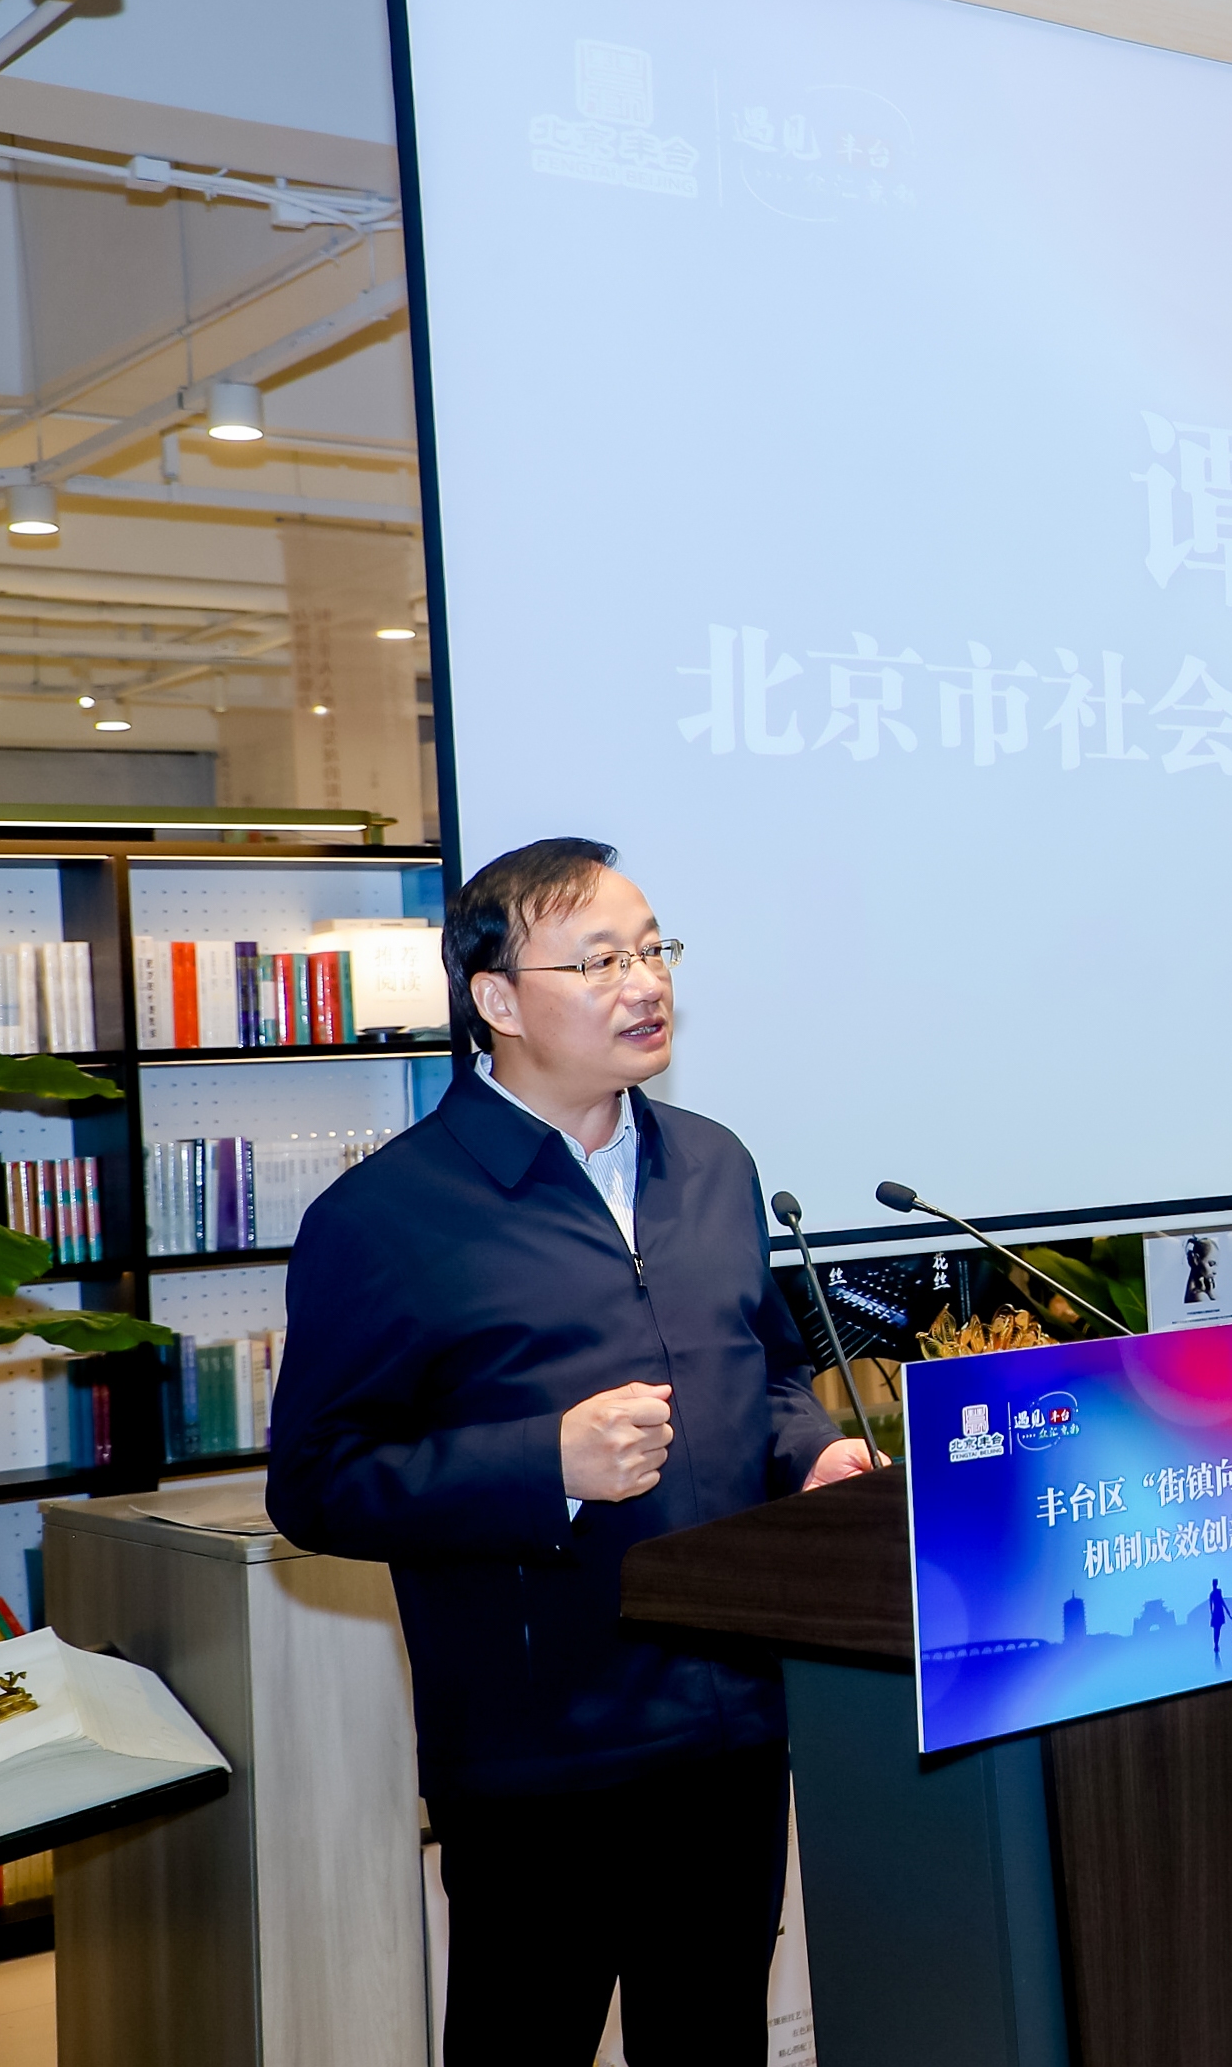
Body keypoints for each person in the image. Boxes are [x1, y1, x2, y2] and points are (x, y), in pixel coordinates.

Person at [267, 839, 868, 2067]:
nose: (644, 981)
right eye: (599, 961)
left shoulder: (714, 1164)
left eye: (653, 949)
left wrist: (807, 1455)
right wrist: (541, 1464)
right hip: (542, 1747)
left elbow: (766, 1367)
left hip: (732, 1721)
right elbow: (319, 1483)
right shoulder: (385, 1218)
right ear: (497, 998)